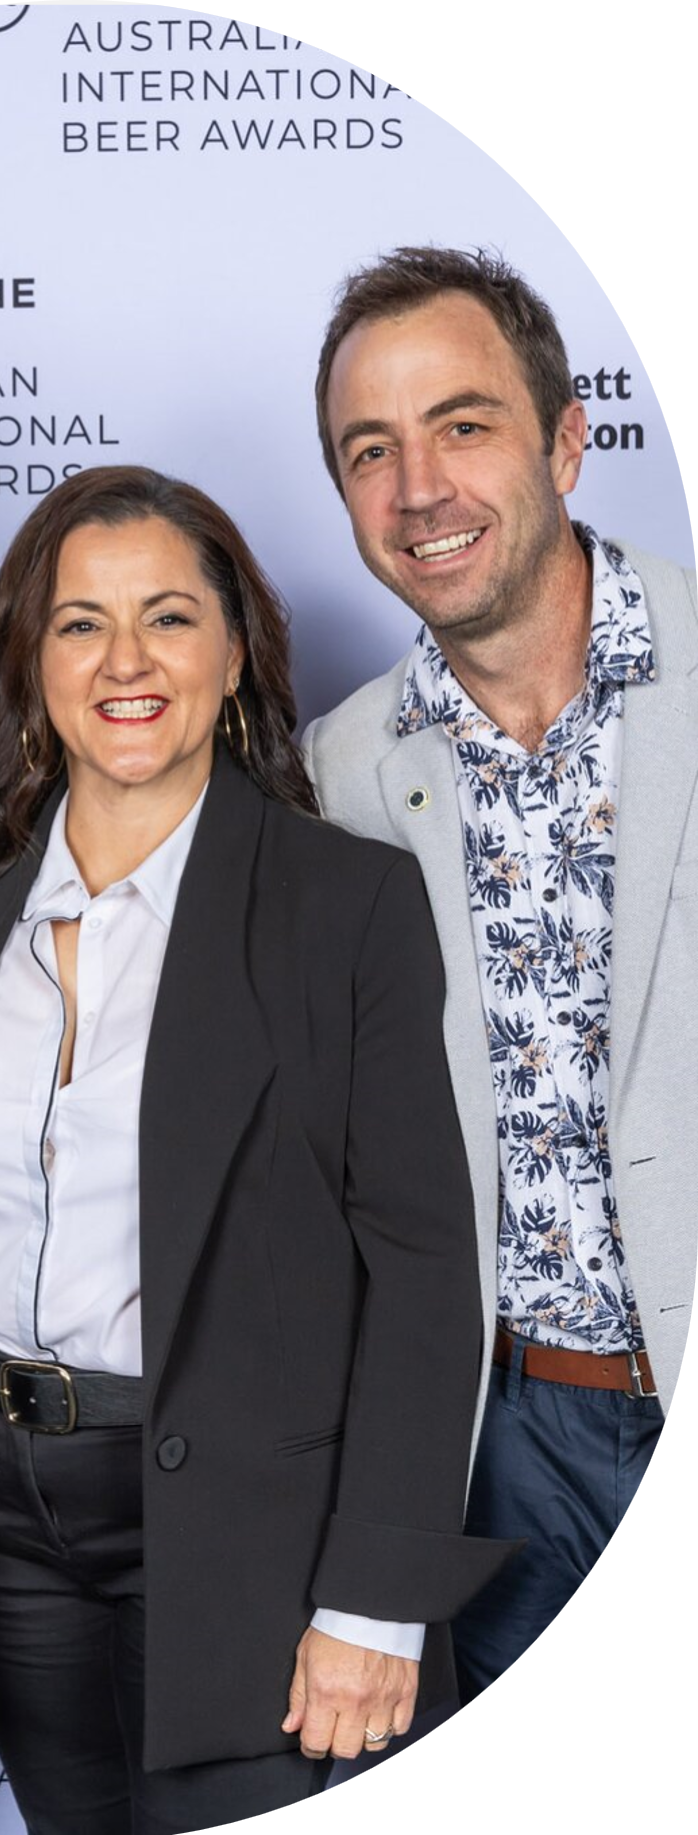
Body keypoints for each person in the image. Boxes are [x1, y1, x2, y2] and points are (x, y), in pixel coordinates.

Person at [0, 465, 511, 1835]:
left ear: (233, 655)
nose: (126, 661)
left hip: (246, 1526)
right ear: (28, 661)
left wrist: (373, 1600)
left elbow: (422, 1262)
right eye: (80, 623)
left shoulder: (342, 904)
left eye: (168, 618)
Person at [305, 247, 694, 1700]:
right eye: (371, 450)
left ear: (568, 438)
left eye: (462, 424)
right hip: (506, 1441)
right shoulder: (343, 767)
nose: (420, 488)